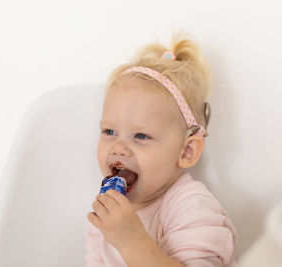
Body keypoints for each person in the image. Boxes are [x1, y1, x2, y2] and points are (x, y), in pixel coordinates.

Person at [85, 32, 237, 267]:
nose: (119, 147)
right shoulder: (107, 212)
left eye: (141, 136)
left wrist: (132, 243)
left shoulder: (191, 207)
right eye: (109, 132)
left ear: (186, 152)